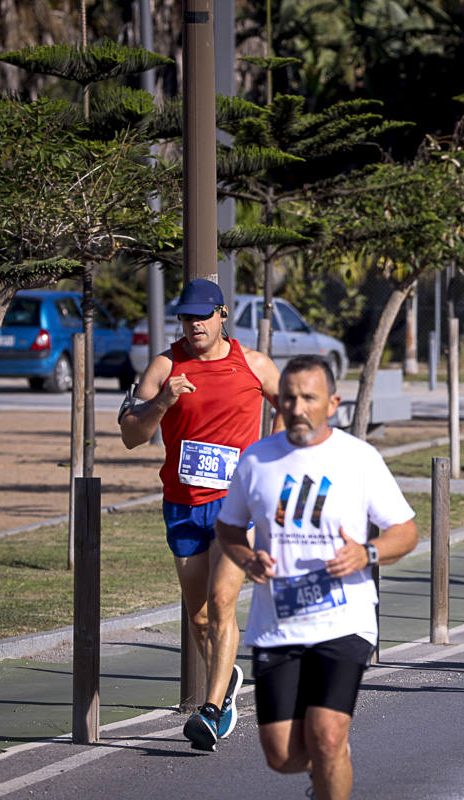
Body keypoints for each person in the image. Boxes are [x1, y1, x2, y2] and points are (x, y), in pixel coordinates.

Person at [213, 356, 418, 800]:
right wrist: (247, 558)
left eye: (309, 398)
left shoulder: (358, 459)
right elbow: (228, 528)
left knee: (326, 735)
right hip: (277, 623)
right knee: (282, 755)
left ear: (332, 403)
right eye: (289, 398)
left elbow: (405, 531)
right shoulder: (257, 460)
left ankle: (330, 760)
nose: (298, 407)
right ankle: (326, 770)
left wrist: (368, 552)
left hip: (344, 618)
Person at [119, 278, 282, 750]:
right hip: (183, 502)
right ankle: (226, 679)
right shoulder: (166, 365)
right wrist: (163, 402)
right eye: (187, 318)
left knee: (224, 602)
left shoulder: (252, 363)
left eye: (202, 317)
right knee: (200, 619)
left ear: (222, 315)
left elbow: (292, 410)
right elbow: (130, 434)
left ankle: (210, 711)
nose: (194, 326)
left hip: (236, 506)